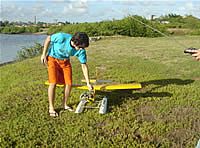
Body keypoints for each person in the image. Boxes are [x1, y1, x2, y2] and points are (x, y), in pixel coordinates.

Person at [41, 32, 93, 117]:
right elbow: (48, 38)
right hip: (52, 59)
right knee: (53, 83)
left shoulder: (81, 50)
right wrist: (43, 54)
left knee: (69, 83)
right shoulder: (61, 37)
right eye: (80, 47)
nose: (81, 49)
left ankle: (64, 104)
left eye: (82, 47)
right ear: (75, 42)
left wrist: (88, 83)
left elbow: (84, 66)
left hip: (65, 62)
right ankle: (51, 107)